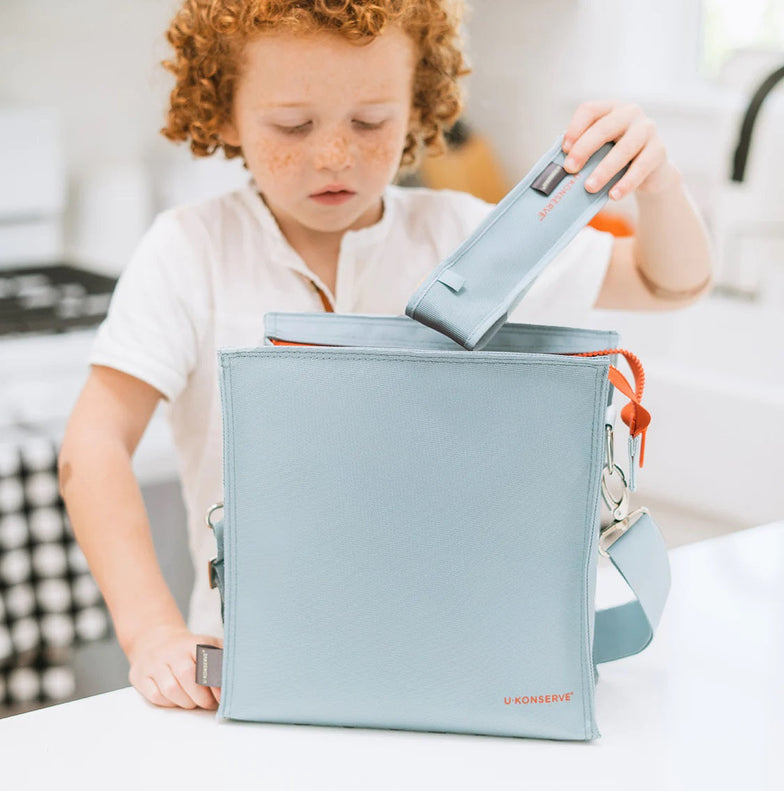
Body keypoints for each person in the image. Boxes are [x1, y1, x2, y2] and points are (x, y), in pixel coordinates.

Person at [58, 0, 713, 712]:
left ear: (419, 103)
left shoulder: (464, 236)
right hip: (244, 673)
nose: (335, 154)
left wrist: (661, 186)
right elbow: (93, 445)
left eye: (371, 121)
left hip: (458, 670)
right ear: (223, 113)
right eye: (293, 125)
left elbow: (665, 280)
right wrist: (153, 632)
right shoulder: (189, 252)